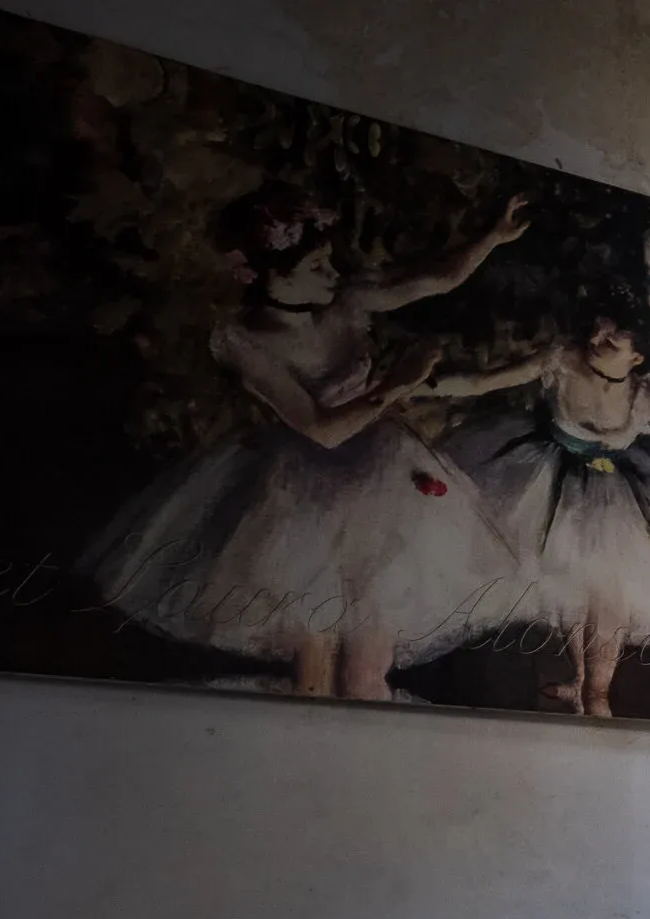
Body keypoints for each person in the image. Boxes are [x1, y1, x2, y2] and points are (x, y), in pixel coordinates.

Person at [92, 184, 531, 698]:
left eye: (328, 260)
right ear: (272, 274)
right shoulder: (244, 341)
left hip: (382, 481)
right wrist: (400, 382)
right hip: (301, 499)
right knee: (314, 674)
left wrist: (491, 239)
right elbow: (323, 429)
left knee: (368, 667)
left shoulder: (345, 302)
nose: (333, 272)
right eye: (317, 265)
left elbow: (433, 279)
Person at [429, 285, 650, 717]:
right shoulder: (562, 362)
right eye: (596, 333)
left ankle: (598, 692)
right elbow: (485, 380)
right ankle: (580, 679)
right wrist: (427, 382)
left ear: (638, 358)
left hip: (619, 501)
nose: (596, 341)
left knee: (609, 596)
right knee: (575, 588)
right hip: (550, 480)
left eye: (612, 342)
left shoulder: (642, 398)